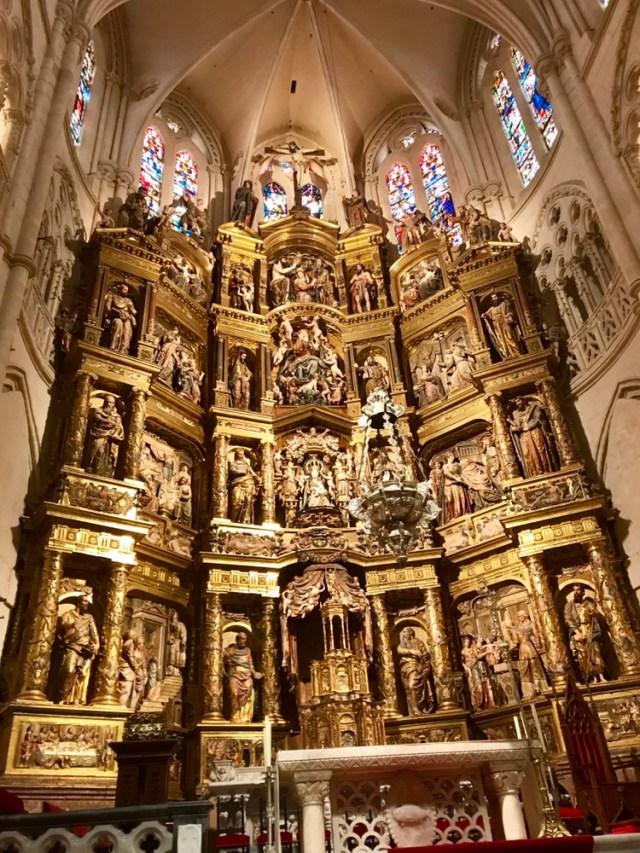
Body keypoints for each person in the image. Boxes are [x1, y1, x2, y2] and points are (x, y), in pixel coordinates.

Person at [56, 595, 100, 705]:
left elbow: (94, 632)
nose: (87, 603)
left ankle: (77, 699)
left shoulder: (89, 617)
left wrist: (96, 644)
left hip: (85, 649)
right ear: (78, 603)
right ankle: (61, 697)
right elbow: (64, 627)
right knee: (68, 670)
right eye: (84, 601)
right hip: (72, 646)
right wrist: (73, 625)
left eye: (87, 601)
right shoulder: (68, 614)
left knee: (82, 674)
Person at [564, 584, 607, 683]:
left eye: (578, 590)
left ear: (583, 592)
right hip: (578, 631)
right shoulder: (569, 605)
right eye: (574, 590)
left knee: (595, 651)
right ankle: (593, 677)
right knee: (584, 655)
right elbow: (568, 619)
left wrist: (594, 613)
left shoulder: (588, 603)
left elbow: (598, 615)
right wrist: (577, 632)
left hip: (590, 630)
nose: (576, 592)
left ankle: (601, 675)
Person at [508, 397, 555, 477]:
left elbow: (539, 418)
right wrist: (514, 429)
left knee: (540, 449)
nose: (517, 403)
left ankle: (546, 470)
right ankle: (533, 474)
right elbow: (513, 427)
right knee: (527, 453)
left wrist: (527, 426)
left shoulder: (533, 408)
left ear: (524, 400)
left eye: (519, 401)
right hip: (524, 435)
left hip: (535, 431)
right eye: (516, 402)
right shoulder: (516, 414)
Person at [223, 631, 262, 723]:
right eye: (241, 639)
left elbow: (250, 664)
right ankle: (235, 715)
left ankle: (245, 717)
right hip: (235, 675)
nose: (243, 641)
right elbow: (223, 663)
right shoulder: (231, 649)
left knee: (248, 691)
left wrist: (254, 673)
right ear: (237, 640)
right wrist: (227, 656)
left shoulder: (248, 650)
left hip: (247, 675)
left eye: (245, 639)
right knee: (234, 693)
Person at [397, 627, 436, 715]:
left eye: (404, 632)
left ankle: (417, 708)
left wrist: (427, 668)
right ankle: (414, 709)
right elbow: (399, 650)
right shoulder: (403, 643)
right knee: (408, 689)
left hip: (415, 666)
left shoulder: (418, 642)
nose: (403, 634)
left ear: (410, 633)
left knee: (412, 685)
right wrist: (411, 651)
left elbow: (425, 656)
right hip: (405, 668)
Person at [509, 611, 547, 700]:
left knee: (534, 668)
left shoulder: (529, 624)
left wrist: (538, 643)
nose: (519, 618)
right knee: (532, 668)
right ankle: (535, 688)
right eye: (518, 616)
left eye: (520, 616)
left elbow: (536, 633)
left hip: (530, 645)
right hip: (529, 646)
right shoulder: (519, 627)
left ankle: (538, 688)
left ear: (524, 616)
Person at [86, 395, 125, 477]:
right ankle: (93, 469)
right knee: (99, 451)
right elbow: (98, 418)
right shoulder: (98, 411)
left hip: (111, 438)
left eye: (110, 402)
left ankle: (105, 474)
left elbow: (119, 425)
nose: (108, 404)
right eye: (107, 402)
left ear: (113, 404)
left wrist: (115, 431)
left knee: (110, 457)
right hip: (99, 434)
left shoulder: (116, 415)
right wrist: (107, 421)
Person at [481, 292, 522, 360]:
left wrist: (509, 316)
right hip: (496, 325)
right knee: (501, 340)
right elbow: (486, 314)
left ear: (498, 297)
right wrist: (483, 315)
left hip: (504, 322)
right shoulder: (491, 309)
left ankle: (517, 352)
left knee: (510, 337)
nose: (494, 299)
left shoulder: (503, 304)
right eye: (493, 298)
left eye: (495, 297)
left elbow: (510, 312)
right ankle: (507, 355)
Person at [228, 449, 260, 523]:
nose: (242, 456)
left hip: (249, 483)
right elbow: (233, 471)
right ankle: (234, 520)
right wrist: (243, 472)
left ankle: (245, 520)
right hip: (237, 483)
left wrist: (257, 477)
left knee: (248, 501)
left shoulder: (246, 464)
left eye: (243, 454)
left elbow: (252, 472)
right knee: (236, 502)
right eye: (240, 454)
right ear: (236, 455)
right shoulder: (233, 464)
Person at [117, 631, 148, 709]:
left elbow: (143, 664)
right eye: (140, 643)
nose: (141, 645)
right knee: (126, 690)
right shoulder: (129, 644)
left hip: (133, 672)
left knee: (129, 691)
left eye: (142, 643)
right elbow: (130, 657)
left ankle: (125, 706)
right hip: (127, 671)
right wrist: (136, 666)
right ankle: (122, 707)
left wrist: (143, 672)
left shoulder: (126, 644)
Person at [104, 283, 137, 354]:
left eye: (127, 290)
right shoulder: (112, 297)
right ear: (119, 289)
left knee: (127, 329)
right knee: (118, 323)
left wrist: (131, 312)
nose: (126, 292)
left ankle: (123, 349)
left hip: (126, 318)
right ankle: (113, 346)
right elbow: (108, 309)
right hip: (115, 317)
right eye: (124, 289)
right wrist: (117, 312)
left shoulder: (128, 301)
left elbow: (133, 311)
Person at [442, 453, 473, 522]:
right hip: (452, 484)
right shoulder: (445, 466)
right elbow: (446, 473)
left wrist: (465, 481)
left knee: (462, 497)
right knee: (454, 498)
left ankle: (465, 511)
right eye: (451, 456)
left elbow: (462, 473)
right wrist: (455, 478)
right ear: (447, 457)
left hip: (460, 483)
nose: (453, 457)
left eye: (453, 456)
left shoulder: (457, 465)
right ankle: (456, 514)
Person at [166, 610, 188, 675]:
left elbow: (183, 634)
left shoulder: (181, 625)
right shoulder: (169, 623)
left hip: (178, 642)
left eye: (175, 618)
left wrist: (183, 642)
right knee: (171, 653)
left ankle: (176, 670)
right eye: (172, 618)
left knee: (177, 655)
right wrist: (171, 638)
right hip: (172, 641)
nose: (173, 619)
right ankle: (170, 669)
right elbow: (169, 633)